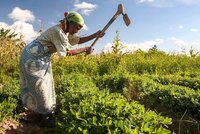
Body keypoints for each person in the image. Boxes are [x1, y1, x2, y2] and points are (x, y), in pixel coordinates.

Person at [19, 11, 104, 124]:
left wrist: (95, 35)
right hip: (32, 57)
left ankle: (41, 114)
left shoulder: (65, 32)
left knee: (47, 85)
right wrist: (85, 49)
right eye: (76, 28)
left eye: (79, 30)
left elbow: (76, 41)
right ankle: (42, 116)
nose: (76, 31)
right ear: (70, 23)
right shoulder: (58, 32)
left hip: (42, 58)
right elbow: (66, 53)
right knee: (39, 86)